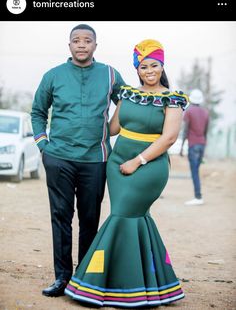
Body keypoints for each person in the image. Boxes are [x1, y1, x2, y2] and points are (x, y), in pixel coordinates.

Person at [65, 39, 189, 307]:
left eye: (154, 65)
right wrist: (82, 112)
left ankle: (101, 284)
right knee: (133, 218)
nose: (149, 70)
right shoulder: (129, 94)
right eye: (144, 66)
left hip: (149, 168)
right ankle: (155, 283)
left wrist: (138, 161)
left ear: (162, 65)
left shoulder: (173, 99)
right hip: (117, 165)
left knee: (122, 215)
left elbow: (168, 139)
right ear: (137, 69)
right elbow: (112, 128)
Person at [31, 24, 125, 297]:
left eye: (87, 40)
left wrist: (117, 128)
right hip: (59, 157)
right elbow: (37, 111)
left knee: (89, 218)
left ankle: (84, 279)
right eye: (76, 40)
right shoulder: (53, 75)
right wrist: (43, 146)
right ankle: (62, 278)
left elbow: (128, 102)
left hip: (96, 159)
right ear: (69, 45)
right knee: (61, 217)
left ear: (96, 45)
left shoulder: (110, 74)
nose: (81, 44)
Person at [180, 89, 209, 206]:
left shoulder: (189, 111)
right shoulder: (206, 112)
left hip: (193, 145)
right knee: (196, 170)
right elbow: (206, 132)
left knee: (194, 172)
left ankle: (198, 196)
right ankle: (198, 195)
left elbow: (186, 130)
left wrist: (182, 147)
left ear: (191, 99)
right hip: (202, 144)